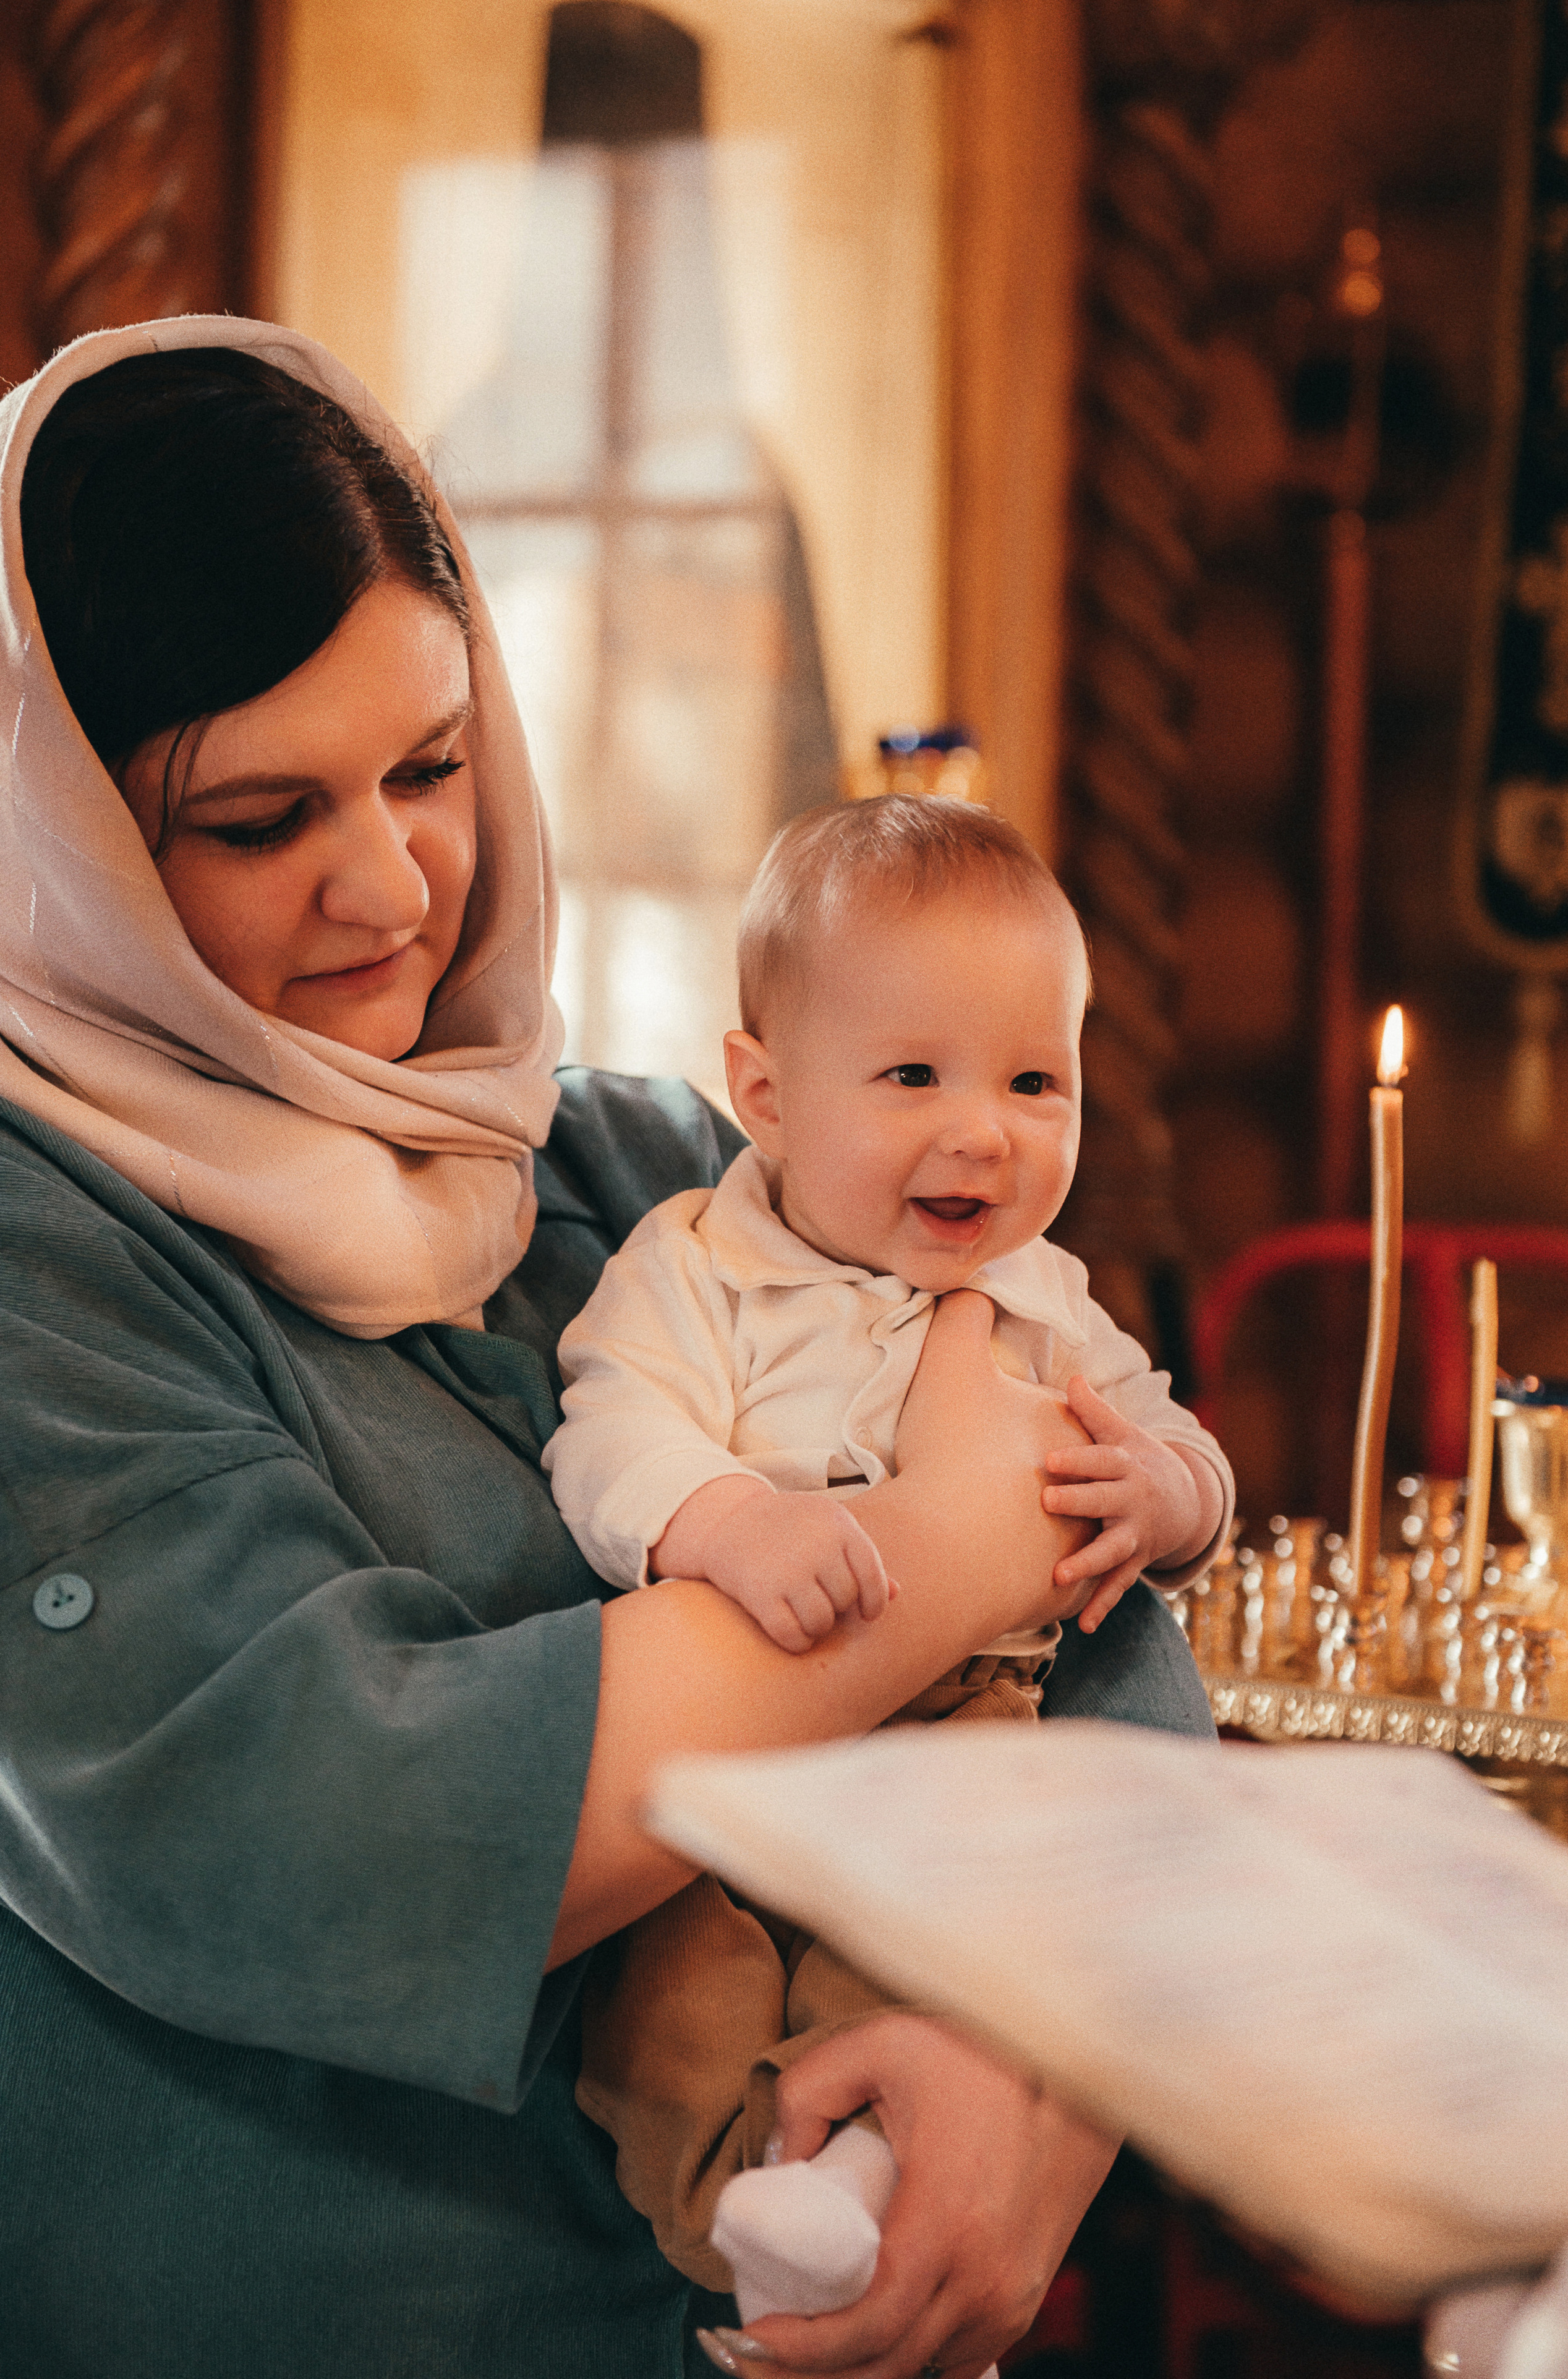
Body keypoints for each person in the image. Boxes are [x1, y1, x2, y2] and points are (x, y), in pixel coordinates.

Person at [0, 314, 1216, 2379]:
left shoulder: (661, 1160)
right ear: (64, 839)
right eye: (256, 813)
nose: (388, 879)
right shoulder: (49, 1265)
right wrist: (954, 1546)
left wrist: (1041, 2071)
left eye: (431, 764)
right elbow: (327, 1832)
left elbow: (1123, 1669)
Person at [543, 797, 1234, 2318]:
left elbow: (1168, 1437)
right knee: (665, 2002)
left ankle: (859, 2192)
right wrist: (726, 1519)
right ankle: (745, 2215)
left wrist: (1164, 1497)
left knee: (935, 1970)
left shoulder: (1040, 1293)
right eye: (912, 1074)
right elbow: (606, 1434)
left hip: (962, 1722)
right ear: (766, 1093)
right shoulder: (698, 1263)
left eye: (1033, 1079)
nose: (980, 1129)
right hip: (720, 1748)